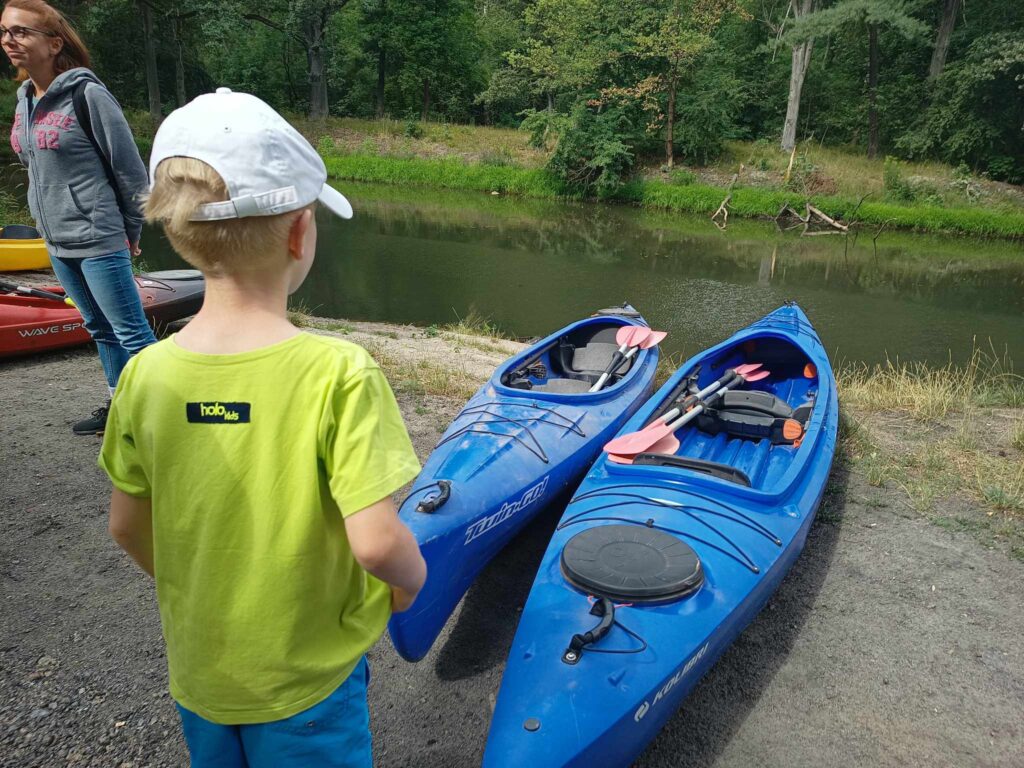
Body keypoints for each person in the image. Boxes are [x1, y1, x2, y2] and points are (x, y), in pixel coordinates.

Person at [97, 88, 427, 768]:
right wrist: (412, 585)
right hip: (308, 684)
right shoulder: (340, 372)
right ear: (300, 233)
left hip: (202, 675)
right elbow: (376, 544)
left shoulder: (145, 375)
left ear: (178, 232)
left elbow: (127, 527)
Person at [2, 0, 155, 434]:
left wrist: (131, 229)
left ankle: (163, 420)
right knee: (99, 328)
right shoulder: (24, 101)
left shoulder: (89, 95)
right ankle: (121, 411)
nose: (9, 40)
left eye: (21, 32)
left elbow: (130, 171)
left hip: (98, 234)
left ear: (54, 43)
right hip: (57, 238)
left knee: (131, 332)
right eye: (5, 31)